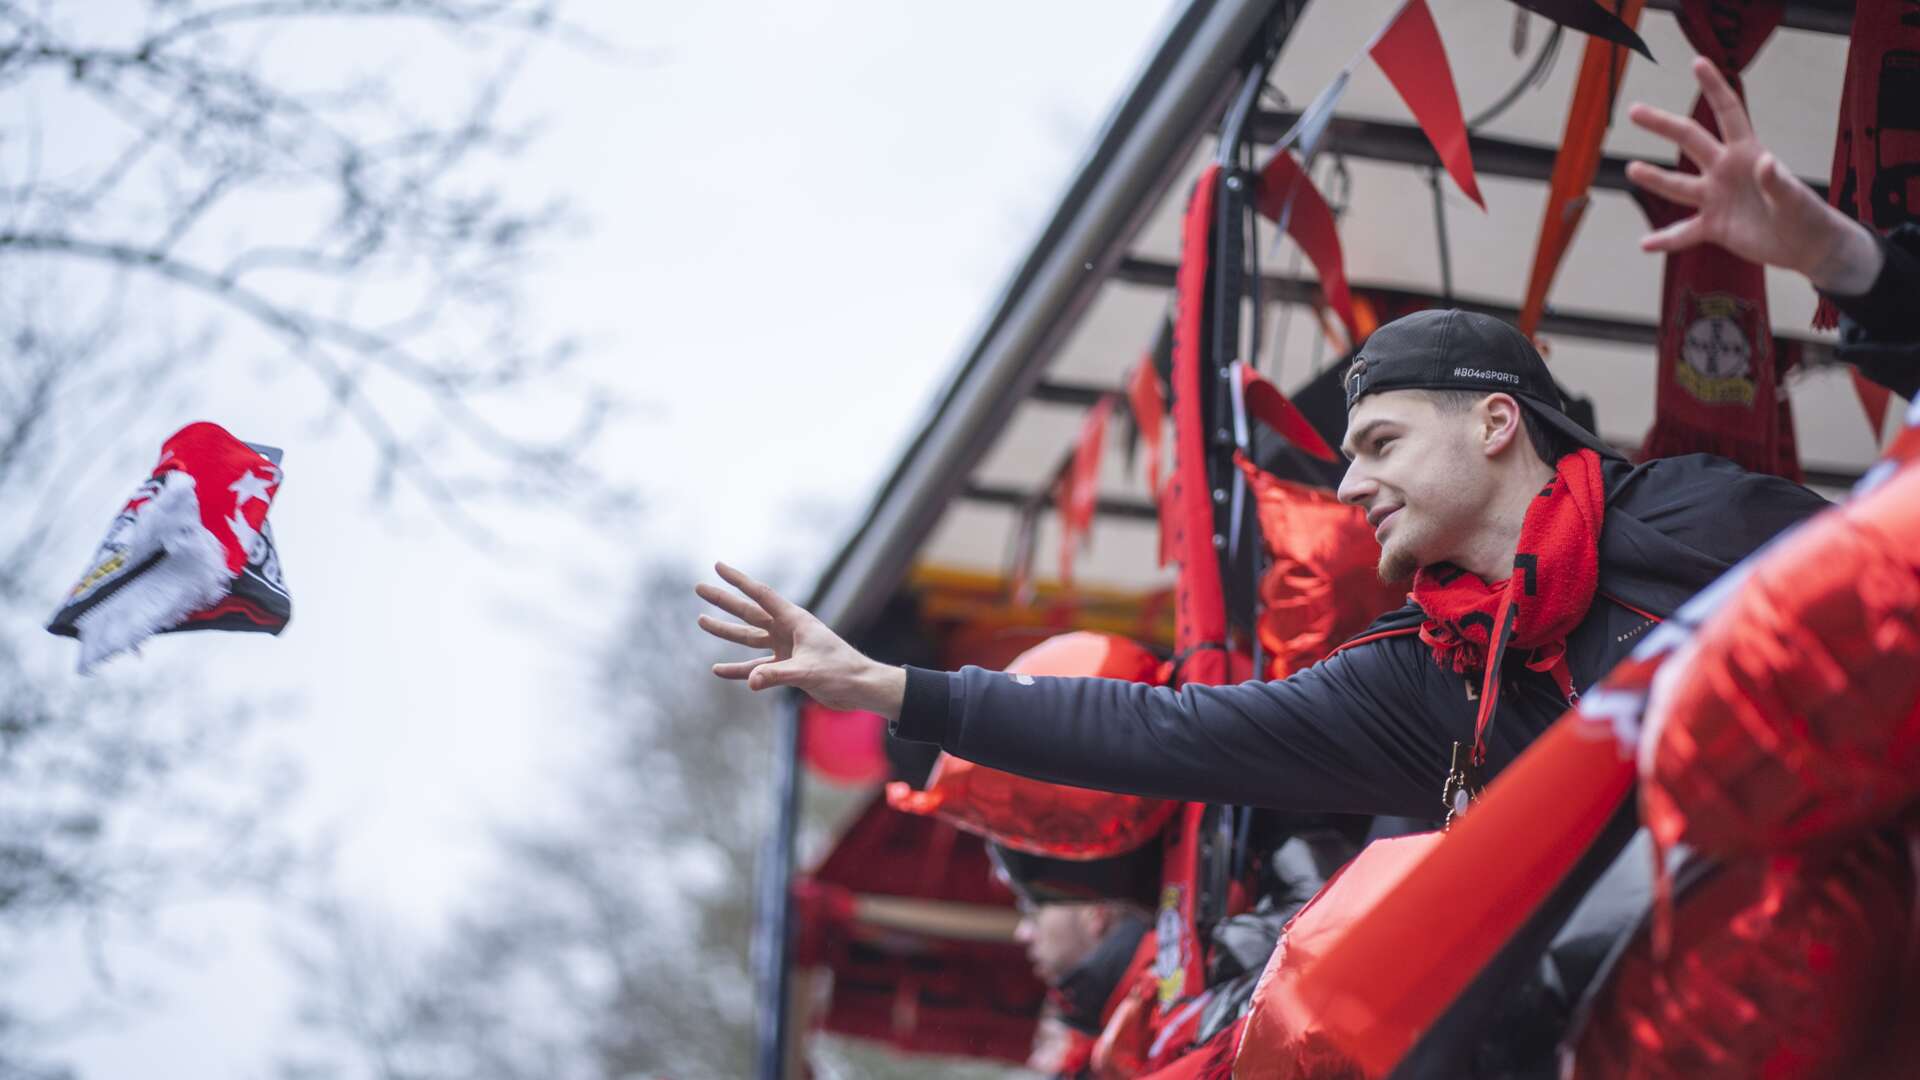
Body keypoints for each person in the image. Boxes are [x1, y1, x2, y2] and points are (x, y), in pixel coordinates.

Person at [694, 58, 1906, 821]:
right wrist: (898, 688)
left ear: (1497, 424)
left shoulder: (1696, 519)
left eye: (1378, 440)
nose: (1350, 477)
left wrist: (1843, 266)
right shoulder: (1413, 680)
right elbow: (1163, 732)